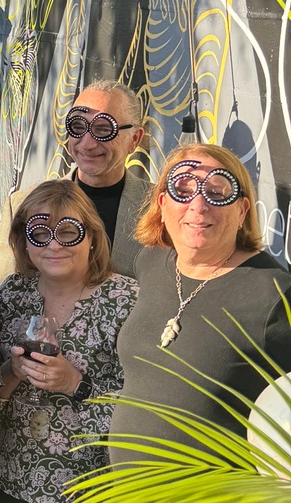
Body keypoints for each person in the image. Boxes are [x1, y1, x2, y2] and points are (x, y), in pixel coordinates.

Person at [110, 143, 291, 466]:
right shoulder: (151, 262)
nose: (199, 205)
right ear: (162, 204)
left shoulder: (274, 294)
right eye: (183, 189)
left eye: (218, 192)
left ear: (242, 210)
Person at [0, 180, 137, 503]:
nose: (53, 245)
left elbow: (141, 410)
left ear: (91, 237)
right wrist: (12, 372)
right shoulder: (14, 293)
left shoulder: (127, 300)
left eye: (67, 232)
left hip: (92, 489)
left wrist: (74, 384)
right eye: (39, 232)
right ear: (25, 240)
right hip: (15, 481)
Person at [0, 80, 150, 302]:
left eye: (103, 129)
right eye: (78, 127)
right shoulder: (23, 203)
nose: (87, 143)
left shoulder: (160, 208)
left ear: (135, 139)